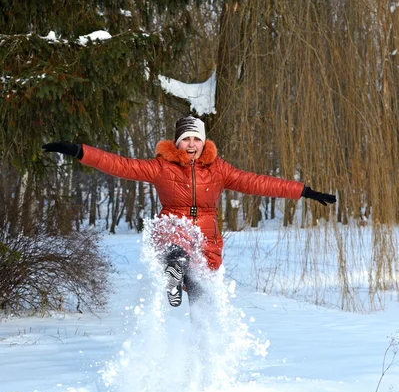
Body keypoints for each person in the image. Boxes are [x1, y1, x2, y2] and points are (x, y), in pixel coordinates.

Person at [43, 116, 336, 307]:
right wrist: (79, 151)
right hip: (174, 228)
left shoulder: (219, 170)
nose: (191, 144)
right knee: (177, 243)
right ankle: (174, 272)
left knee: (201, 298)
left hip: (207, 239)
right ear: (177, 142)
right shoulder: (162, 167)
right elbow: (121, 165)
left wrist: (304, 191)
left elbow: (257, 182)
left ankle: (202, 351)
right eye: (186, 139)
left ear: (203, 142)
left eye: (196, 139)